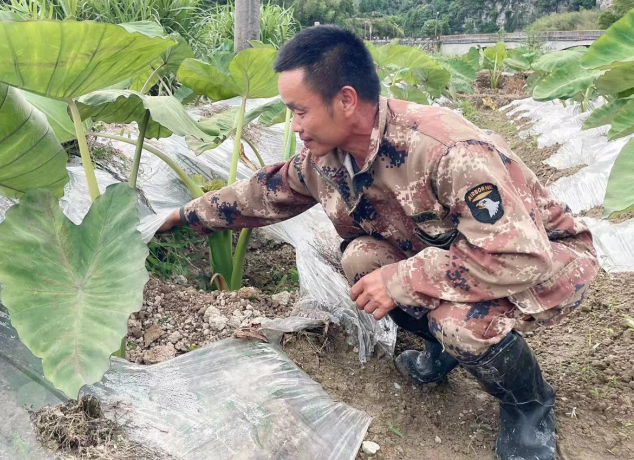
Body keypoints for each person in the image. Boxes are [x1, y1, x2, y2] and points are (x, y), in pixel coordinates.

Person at [158, 25, 598, 460]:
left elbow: (517, 255)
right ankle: (441, 350)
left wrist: (404, 278)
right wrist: (180, 216)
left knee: (461, 324)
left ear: (346, 100)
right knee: (362, 259)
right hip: (453, 252)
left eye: (300, 111)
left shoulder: (444, 149)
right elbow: (263, 193)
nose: (295, 127)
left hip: (545, 260)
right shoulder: (327, 158)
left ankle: (528, 403)